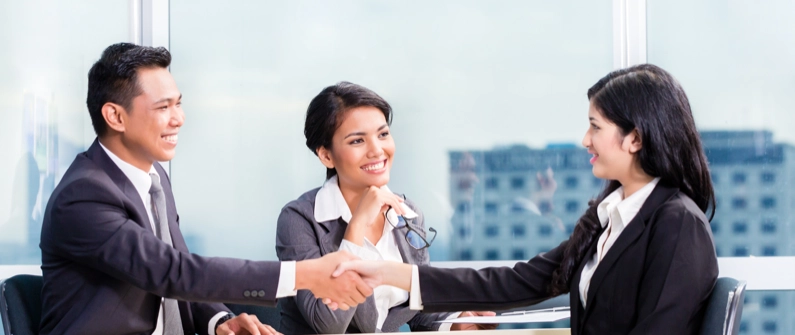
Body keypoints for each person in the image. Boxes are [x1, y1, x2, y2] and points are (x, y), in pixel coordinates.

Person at [332, 64, 719, 335]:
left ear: (635, 138)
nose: (586, 140)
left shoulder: (676, 223)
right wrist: (386, 273)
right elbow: (514, 282)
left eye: (595, 127)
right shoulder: (612, 218)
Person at [39, 43, 372, 335]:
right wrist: (305, 274)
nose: (179, 118)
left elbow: (179, 266)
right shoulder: (83, 195)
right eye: (163, 107)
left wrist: (219, 320)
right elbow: (174, 271)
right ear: (115, 116)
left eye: (178, 104)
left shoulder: (154, 178)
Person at [276, 82, 496, 333]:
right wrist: (357, 228)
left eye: (382, 134)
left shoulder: (407, 212)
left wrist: (453, 323)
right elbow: (328, 326)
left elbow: (417, 308)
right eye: (357, 140)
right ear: (326, 156)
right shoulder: (299, 220)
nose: (377, 150)